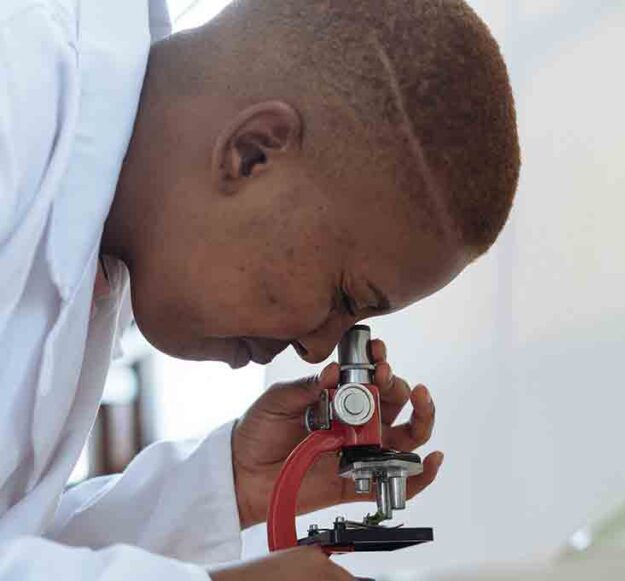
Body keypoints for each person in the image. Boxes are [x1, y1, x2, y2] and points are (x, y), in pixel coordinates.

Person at [0, 0, 520, 578]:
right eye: (344, 297)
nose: (318, 350)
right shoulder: (14, 94)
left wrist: (229, 485)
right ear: (252, 153)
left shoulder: (101, 234)